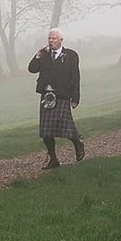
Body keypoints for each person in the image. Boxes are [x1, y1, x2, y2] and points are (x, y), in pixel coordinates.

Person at [28, 28, 84, 168]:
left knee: (65, 126)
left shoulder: (71, 55)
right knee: (46, 131)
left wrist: (75, 97)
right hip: (46, 96)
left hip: (62, 95)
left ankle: (77, 141)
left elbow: (75, 77)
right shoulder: (44, 55)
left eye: (53, 38)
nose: (50, 41)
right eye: (49, 38)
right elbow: (32, 69)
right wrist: (38, 55)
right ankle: (53, 159)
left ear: (61, 40)